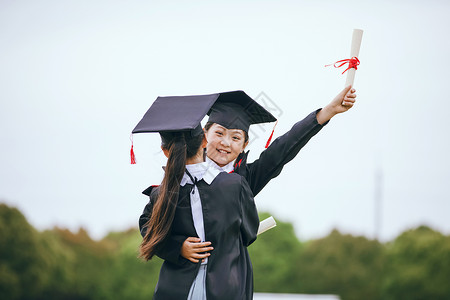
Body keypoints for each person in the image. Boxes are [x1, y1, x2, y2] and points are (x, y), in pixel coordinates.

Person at [181, 86, 357, 262]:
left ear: (244, 144)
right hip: (182, 276)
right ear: (204, 135)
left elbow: (283, 147)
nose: (226, 142)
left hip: (228, 276)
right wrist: (179, 247)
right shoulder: (183, 175)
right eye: (219, 133)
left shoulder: (244, 180)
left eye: (236, 138)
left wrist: (329, 111)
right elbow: (155, 225)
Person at [134, 95, 259, 300]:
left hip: (174, 290)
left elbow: (147, 230)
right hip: (223, 287)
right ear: (203, 139)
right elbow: (249, 233)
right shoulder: (234, 185)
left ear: (165, 151)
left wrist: (179, 247)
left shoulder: (160, 193)